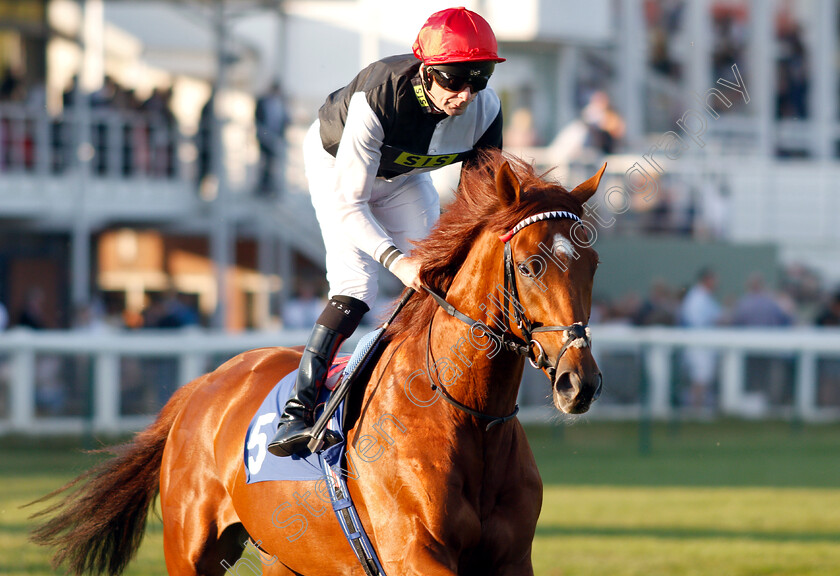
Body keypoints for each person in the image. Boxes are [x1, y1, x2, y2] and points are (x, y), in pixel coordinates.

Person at [268, 7, 505, 457]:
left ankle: (419, 389)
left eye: (480, 78)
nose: (466, 95)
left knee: (439, 278)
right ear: (427, 69)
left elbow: (478, 204)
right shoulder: (379, 97)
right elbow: (350, 204)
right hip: (338, 169)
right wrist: (399, 260)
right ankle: (297, 414)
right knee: (359, 285)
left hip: (402, 176)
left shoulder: (486, 109)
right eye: (454, 79)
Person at [678, 268, 723, 410]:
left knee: (702, 378)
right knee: (700, 378)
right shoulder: (697, 297)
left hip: (703, 344)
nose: (716, 283)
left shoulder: (704, 297)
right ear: (707, 280)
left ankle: (698, 409)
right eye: (714, 280)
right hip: (698, 344)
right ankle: (696, 410)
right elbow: (697, 322)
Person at [255, 81, 291, 195]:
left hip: (276, 138)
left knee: (274, 163)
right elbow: (258, 118)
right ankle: (263, 186)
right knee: (264, 162)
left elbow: (285, 120)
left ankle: (272, 185)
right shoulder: (263, 102)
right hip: (265, 138)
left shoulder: (281, 103)